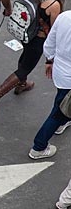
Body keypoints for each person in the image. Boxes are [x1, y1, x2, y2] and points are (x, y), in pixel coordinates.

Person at [0, 0, 65, 112]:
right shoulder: (54, 4)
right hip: (39, 39)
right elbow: (55, 28)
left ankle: (22, 84)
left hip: (25, 33)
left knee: (25, 57)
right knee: (26, 67)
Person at [28, 10, 71, 160]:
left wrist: (49, 60)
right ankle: (38, 147)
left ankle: (63, 122)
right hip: (68, 77)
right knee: (58, 111)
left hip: (60, 70)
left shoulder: (65, 16)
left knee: (62, 101)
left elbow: (50, 42)